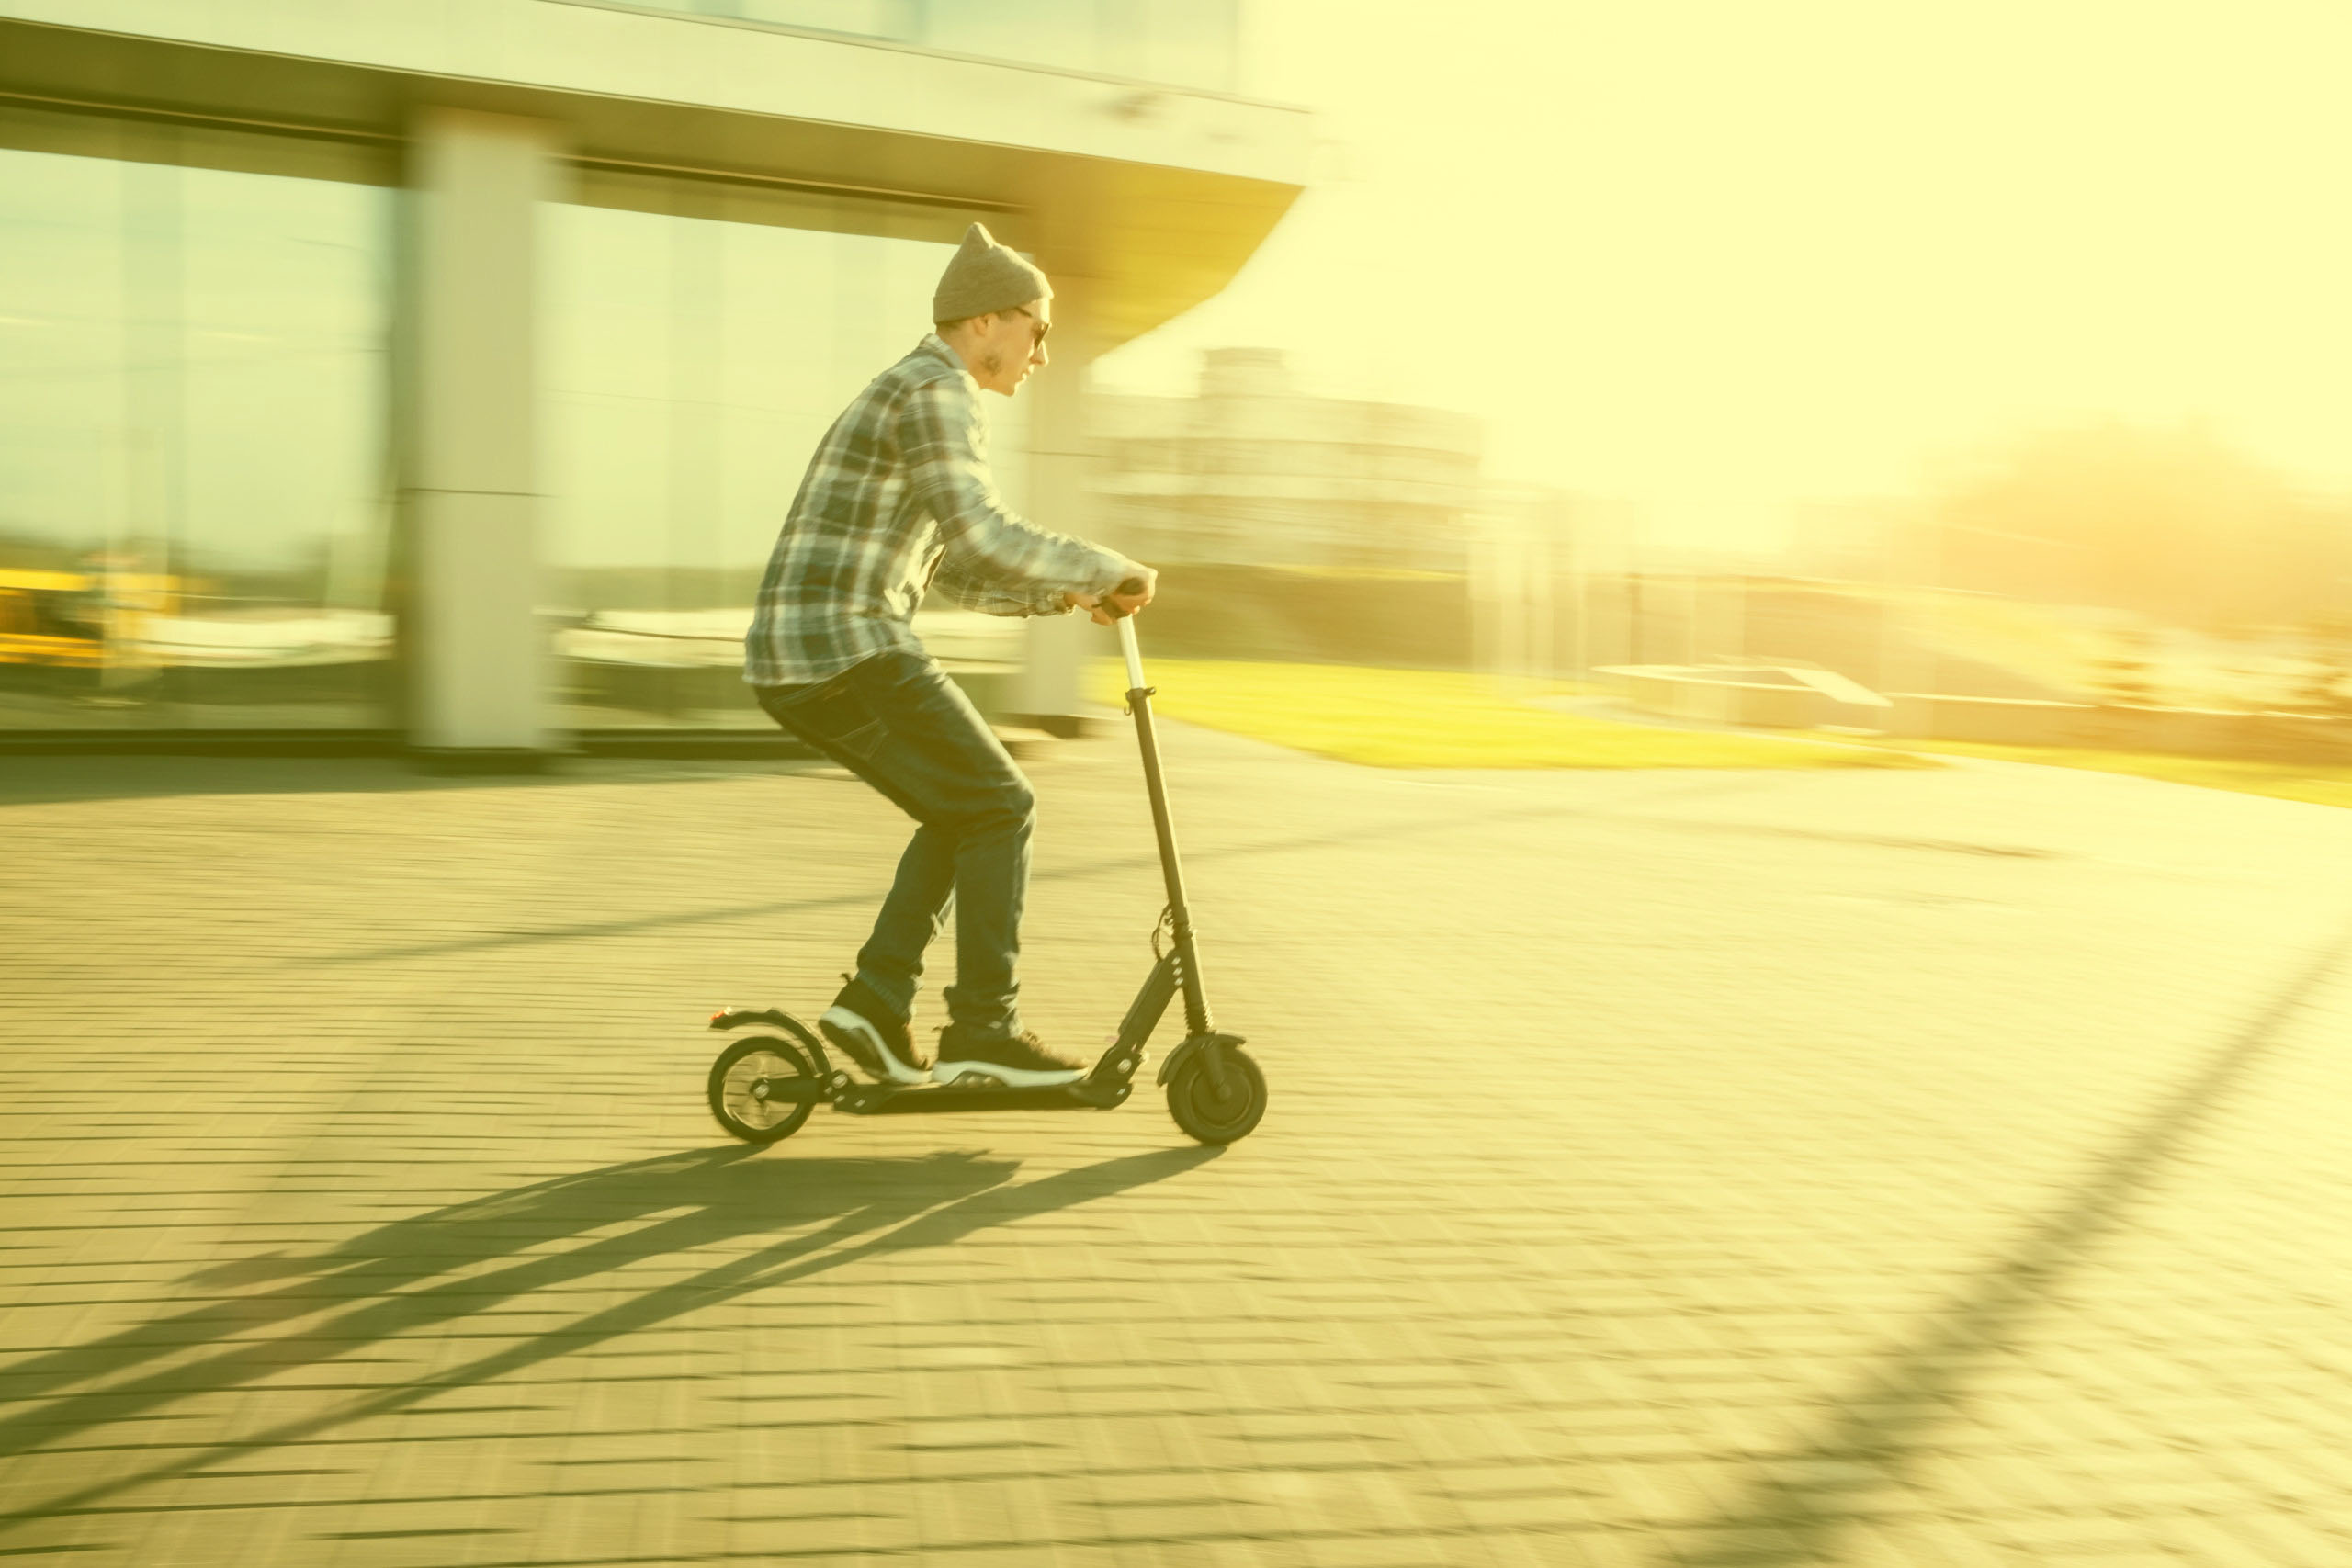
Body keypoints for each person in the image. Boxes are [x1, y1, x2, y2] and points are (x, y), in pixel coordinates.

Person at [745, 223, 1154, 1090]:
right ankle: (983, 1031)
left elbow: (959, 570)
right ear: (986, 321)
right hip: (844, 645)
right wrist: (1104, 565)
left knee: (967, 810)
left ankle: (875, 1002)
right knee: (1003, 804)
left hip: (807, 658)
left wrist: (1064, 593)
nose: (1042, 354)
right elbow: (984, 529)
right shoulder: (937, 390)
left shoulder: (916, 387)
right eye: (1038, 330)